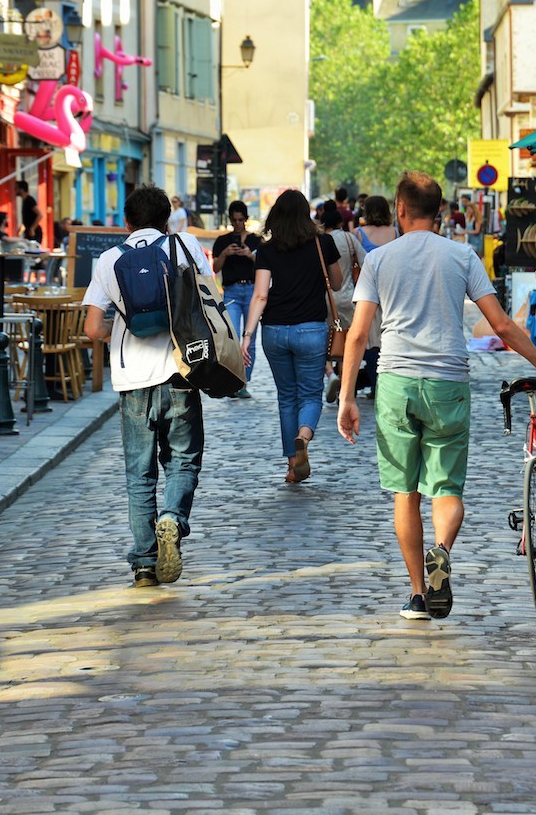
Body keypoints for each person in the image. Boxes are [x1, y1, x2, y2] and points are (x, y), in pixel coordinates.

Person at [337, 171, 536, 622]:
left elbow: (359, 333)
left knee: (405, 492)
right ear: (439, 212)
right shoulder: (462, 256)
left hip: (397, 384)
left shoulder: (380, 260)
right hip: (448, 383)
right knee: (445, 488)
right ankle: (441, 550)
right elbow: (500, 325)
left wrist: (347, 395)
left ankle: (419, 595)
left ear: (401, 210)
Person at [82, 185, 211, 587]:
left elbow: (91, 327)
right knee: (183, 461)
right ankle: (173, 517)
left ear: (127, 222)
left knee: (139, 473)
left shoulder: (109, 259)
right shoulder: (186, 244)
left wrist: (119, 331)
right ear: (167, 219)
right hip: (179, 372)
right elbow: (209, 300)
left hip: (130, 379)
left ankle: (142, 563)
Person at [242, 189, 343, 483]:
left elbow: (260, 295)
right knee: (310, 394)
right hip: (311, 328)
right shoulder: (323, 243)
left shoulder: (267, 249)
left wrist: (247, 335)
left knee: (286, 397)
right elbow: (336, 284)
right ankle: (304, 436)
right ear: (306, 214)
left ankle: (292, 466)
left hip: (273, 330)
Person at [319, 205, 370, 404]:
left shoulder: (321, 241)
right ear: (340, 222)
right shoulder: (349, 238)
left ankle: (330, 373)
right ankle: (345, 387)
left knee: (324, 340)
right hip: (348, 296)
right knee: (347, 343)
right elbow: (367, 262)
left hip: (324, 297)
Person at [212, 200, 262, 399]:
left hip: (251, 289)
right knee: (231, 338)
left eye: (241, 220)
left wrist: (250, 255)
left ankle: (243, 382)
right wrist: (225, 253)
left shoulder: (256, 241)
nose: (238, 224)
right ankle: (233, 380)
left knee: (249, 340)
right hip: (231, 290)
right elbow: (214, 269)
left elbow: (265, 267)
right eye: (234, 220)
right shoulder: (223, 241)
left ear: (246, 220)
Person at [352, 195, 397, 395]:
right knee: (389, 337)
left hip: (368, 291)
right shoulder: (395, 232)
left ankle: (374, 385)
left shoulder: (358, 234)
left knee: (370, 342)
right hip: (393, 290)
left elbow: (354, 265)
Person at [15, 180, 42, 244]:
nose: (15, 190)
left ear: (21, 189)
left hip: (34, 233)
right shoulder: (25, 201)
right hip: (28, 232)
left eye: (16, 188)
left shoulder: (29, 200)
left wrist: (32, 228)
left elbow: (40, 215)